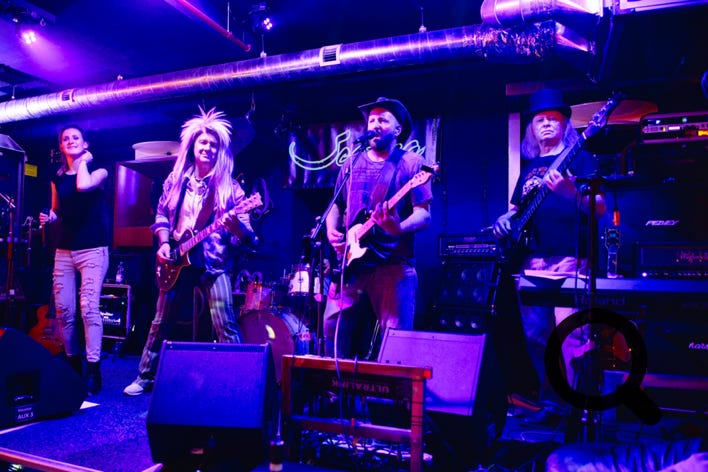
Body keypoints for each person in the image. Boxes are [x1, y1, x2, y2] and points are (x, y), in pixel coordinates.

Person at [492, 88, 607, 425]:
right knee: (536, 336)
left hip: (570, 259)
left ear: (565, 125)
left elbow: (599, 208)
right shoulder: (529, 168)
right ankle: (551, 404)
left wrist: (571, 193)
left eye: (553, 119)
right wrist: (504, 219)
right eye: (539, 120)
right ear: (531, 128)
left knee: (572, 337)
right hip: (532, 261)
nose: (545, 124)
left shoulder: (580, 157)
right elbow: (515, 210)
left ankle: (578, 409)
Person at [123, 107, 256, 396]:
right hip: (176, 259)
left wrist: (236, 228)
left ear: (220, 150)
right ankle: (145, 376)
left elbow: (249, 238)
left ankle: (239, 384)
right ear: (193, 146)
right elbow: (161, 215)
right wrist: (164, 244)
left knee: (225, 323)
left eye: (213, 144)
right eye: (203, 142)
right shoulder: (176, 181)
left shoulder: (231, 189)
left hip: (214, 264)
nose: (207, 148)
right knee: (160, 322)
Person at [323, 97, 433, 359]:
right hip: (352, 263)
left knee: (396, 341)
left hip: (392, 264)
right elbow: (335, 204)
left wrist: (398, 228)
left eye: (383, 120)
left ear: (397, 130)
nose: (374, 124)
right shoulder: (351, 163)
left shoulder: (412, 163)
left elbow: (424, 215)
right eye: (372, 119)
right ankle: (335, 383)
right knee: (331, 328)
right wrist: (331, 230)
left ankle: (390, 386)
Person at [39, 125, 110, 396]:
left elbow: (83, 186)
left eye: (75, 138)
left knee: (88, 308)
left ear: (85, 143)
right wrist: (50, 217)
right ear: (61, 146)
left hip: (93, 248)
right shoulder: (57, 178)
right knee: (65, 311)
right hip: (64, 250)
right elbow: (57, 209)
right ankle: (73, 364)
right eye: (66, 139)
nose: (70, 141)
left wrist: (83, 162)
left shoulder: (99, 171)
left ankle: (93, 369)